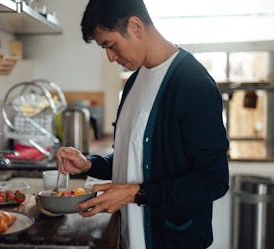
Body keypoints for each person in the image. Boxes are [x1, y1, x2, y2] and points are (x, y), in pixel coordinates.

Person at [56, 0, 230, 248]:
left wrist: (136, 193)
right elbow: (134, 160)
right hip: (129, 237)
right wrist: (89, 164)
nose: (110, 57)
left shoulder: (194, 84)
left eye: (111, 45)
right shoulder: (133, 82)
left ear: (135, 26)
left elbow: (214, 181)